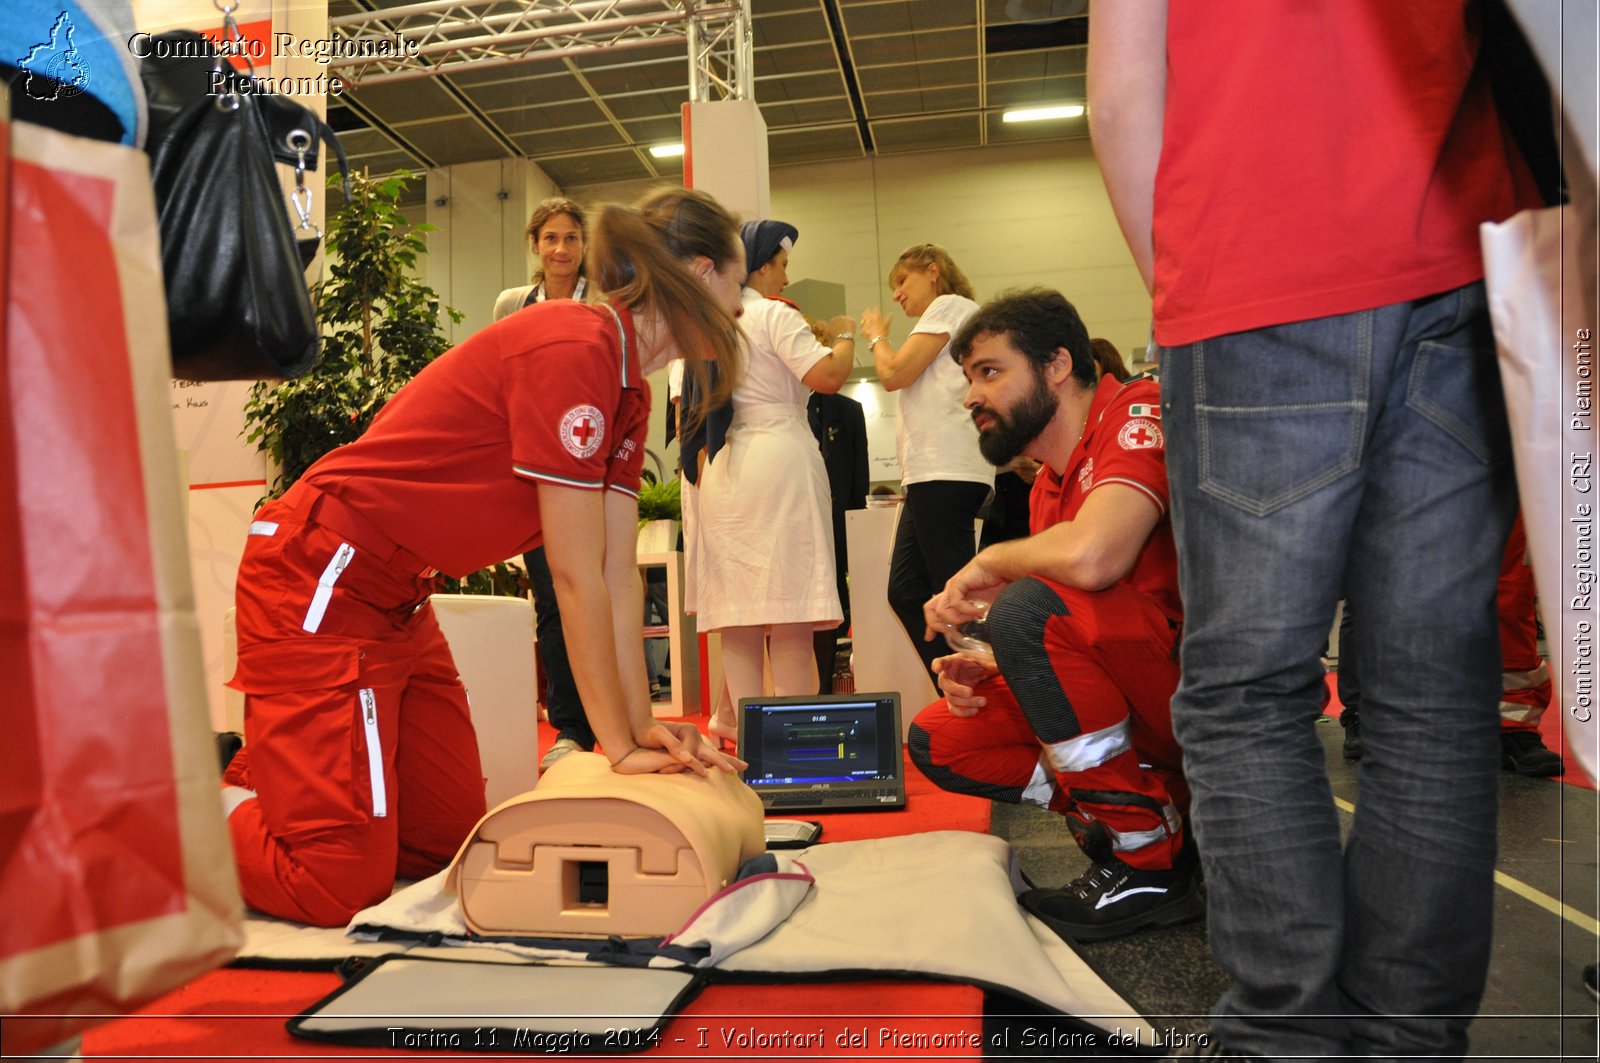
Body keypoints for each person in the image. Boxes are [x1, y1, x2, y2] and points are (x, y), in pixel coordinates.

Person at [1090, 2, 1541, 1057]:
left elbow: (1119, 89)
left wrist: (1183, 288)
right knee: (1430, 694)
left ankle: (1285, 1035)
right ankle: (1407, 1037)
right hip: (1458, 247)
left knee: (1249, 691)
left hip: (1250, 258)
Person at [221, 187, 748, 927]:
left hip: (397, 596)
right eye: (739, 281)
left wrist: (639, 727)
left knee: (442, 846)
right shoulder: (574, 345)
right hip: (322, 573)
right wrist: (615, 747)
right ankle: (184, 808)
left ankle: (278, 773)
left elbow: (611, 574)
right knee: (336, 882)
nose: (744, 305)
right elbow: (570, 576)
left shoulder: (628, 381)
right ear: (699, 271)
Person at [911, 288, 1195, 942]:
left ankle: (1146, 860)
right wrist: (987, 665)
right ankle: (1141, 815)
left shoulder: (1139, 412)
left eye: (989, 371)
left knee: (1025, 608)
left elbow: (1096, 556)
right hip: (1145, 692)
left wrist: (994, 564)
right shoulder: (1047, 484)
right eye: (968, 379)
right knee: (942, 735)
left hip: (1203, 696)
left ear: (1057, 364)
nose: (971, 396)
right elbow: (1072, 634)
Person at [695, 220, 855, 742]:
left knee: (739, 619)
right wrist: (847, 335)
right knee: (791, 615)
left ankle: (750, 746)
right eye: (782, 265)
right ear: (760, 264)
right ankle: (798, 744)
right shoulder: (771, 316)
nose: (786, 277)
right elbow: (828, 378)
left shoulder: (711, 321)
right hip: (780, 462)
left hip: (727, 469)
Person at [492, 195, 595, 772]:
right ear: (535, 244)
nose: (561, 249)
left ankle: (612, 717)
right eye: (551, 238)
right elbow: (498, 377)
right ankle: (571, 729)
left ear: (584, 246)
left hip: (588, 468)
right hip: (531, 468)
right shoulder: (513, 304)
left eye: (571, 239)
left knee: (595, 599)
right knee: (553, 604)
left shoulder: (602, 304)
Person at [860, 245, 994, 681]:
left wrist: (877, 337)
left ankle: (991, 694)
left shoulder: (949, 306)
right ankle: (959, 683)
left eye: (902, 281)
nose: (897, 294)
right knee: (905, 590)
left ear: (933, 272)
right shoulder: (949, 316)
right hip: (930, 472)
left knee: (952, 593)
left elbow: (894, 372)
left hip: (946, 469)